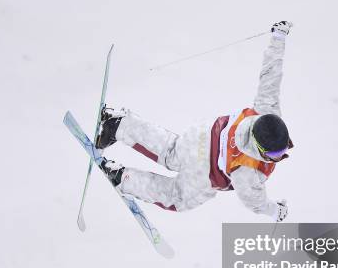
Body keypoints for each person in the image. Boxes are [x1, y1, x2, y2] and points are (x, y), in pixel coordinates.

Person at [95, 21, 294, 222]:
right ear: (258, 147)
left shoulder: (265, 110)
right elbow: (255, 202)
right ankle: (122, 177)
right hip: (204, 172)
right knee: (177, 197)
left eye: (281, 150)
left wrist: (278, 38)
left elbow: (270, 75)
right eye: (274, 153)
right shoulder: (247, 171)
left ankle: (118, 124)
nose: (279, 156)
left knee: (171, 151)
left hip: (201, 136)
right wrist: (275, 211)